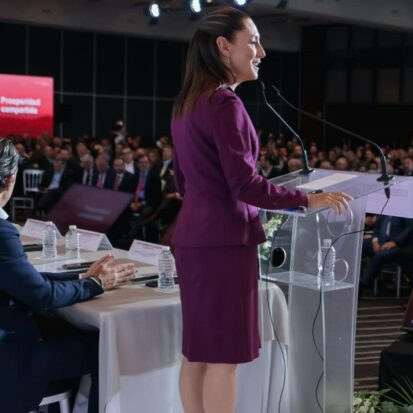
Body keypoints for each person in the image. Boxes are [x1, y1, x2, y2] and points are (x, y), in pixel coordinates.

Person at [169, 8, 351, 413]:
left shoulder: (187, 105)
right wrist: (308, 199)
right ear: (223, 46)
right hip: (224, 244)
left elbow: (183, 183)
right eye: (252, 40)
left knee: (197, 353)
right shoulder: (223, 105)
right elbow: (245, 185)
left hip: (194, 241)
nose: (261, 51)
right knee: (224, 357)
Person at [0, 138, 137, 412]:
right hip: (13, 357)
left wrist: (80, 280)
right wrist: (97, 284)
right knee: (106, 349)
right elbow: (41, 296)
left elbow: (21, 282)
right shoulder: (2, 234)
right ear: (11, 178)